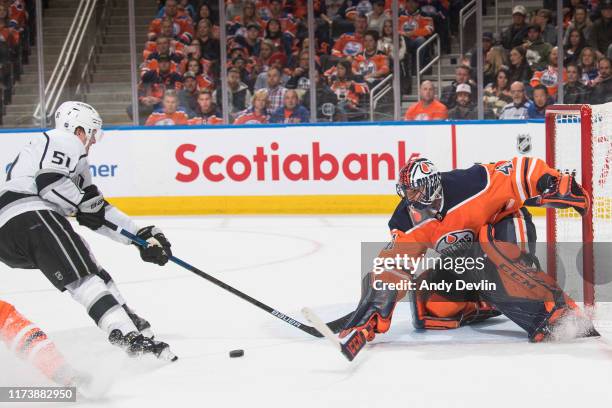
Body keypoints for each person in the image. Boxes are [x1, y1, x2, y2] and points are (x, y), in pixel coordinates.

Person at [339, 156, 597, 344]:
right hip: (469, 264)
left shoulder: (471, 183)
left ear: (430, 185)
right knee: (429, 305)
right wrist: (378, 299)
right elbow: (394, 263)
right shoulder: (407, 220)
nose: (410, 198)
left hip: (503, 228)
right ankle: (482, 301)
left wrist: (551, 181)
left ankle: (559, 312)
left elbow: (516, 170)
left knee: (494, 255)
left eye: (415, 190)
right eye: (407, 192)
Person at [0, 102, 176, 360]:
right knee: (84, 277)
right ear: (79, 129)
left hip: (10, 234)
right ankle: (126, 335)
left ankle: (124, 316)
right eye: (92, 133)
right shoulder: (64, 140)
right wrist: (82, 203)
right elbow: (49, 183)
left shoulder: (70, 160)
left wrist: (142, 235)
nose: (93, 141)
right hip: (29, 214)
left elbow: (95, 212)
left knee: (86, 264)